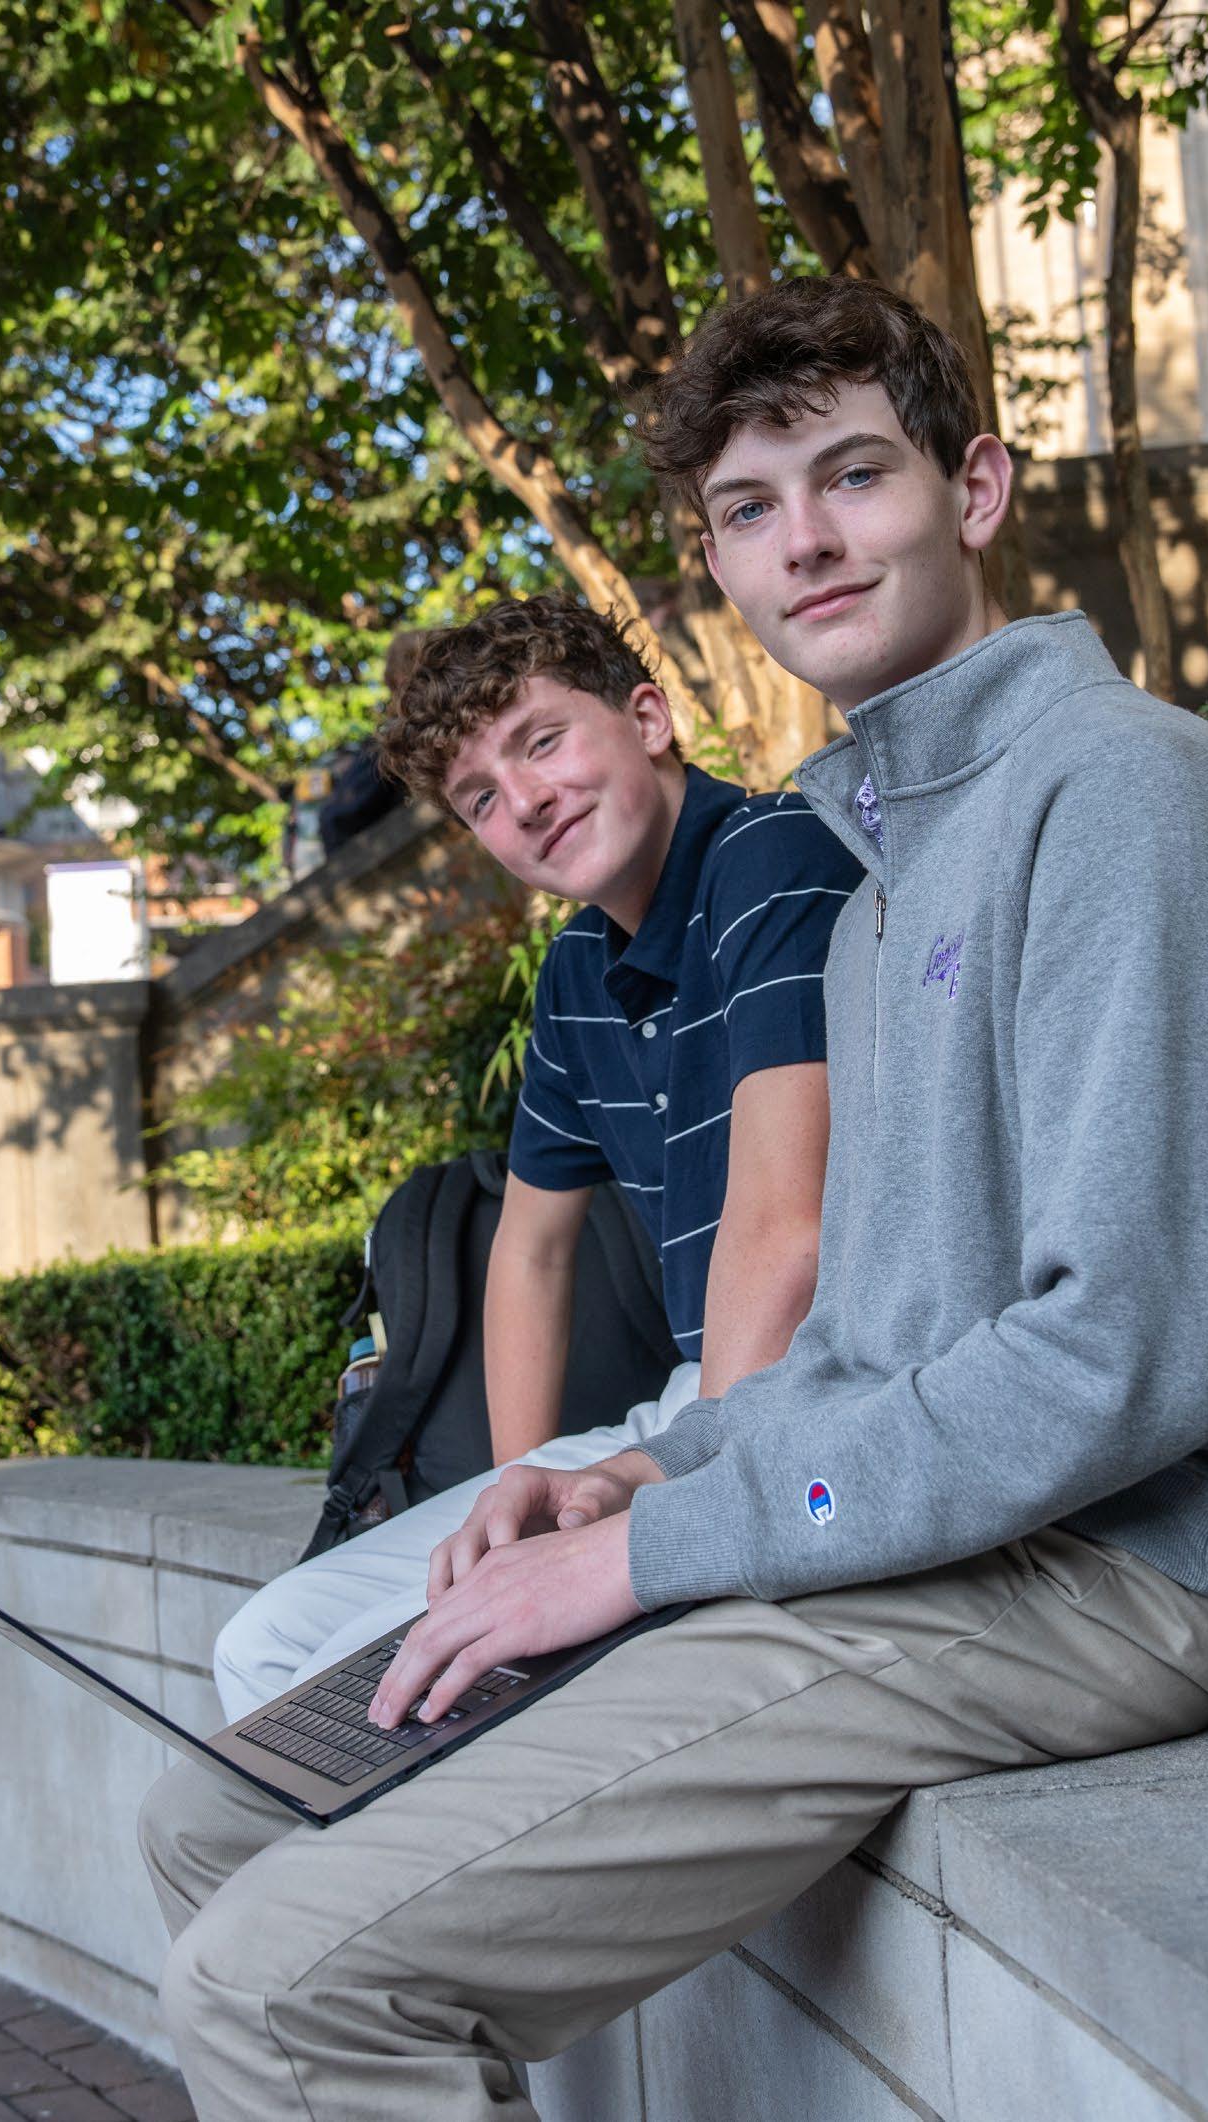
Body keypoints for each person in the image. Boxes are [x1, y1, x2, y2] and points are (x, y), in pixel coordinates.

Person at [138, 275, 1208, 2121]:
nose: (802, 540)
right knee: (210, 1813)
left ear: (970, 489)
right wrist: (638, 1474)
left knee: (276, 1985)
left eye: (850, 475)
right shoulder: (879, 887)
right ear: (715, 565)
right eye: (745, 508)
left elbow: (1118, 1364)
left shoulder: (1120, 792)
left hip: (1104, 1580)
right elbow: (863, 1350)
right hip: (927, 1545)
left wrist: (647, 1554)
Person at [212, 594, 864, 1719]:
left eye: (543, 741)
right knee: (269, 1643)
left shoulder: (770, 856)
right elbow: (530, 1251)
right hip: (697, 1397)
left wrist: (677, 1476)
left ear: (649, 719)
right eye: (479, 797)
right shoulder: (576, 972)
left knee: (425, 1669)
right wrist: (517, 1493)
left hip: (818, 1397)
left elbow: (787, 1229)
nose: (523, 801)